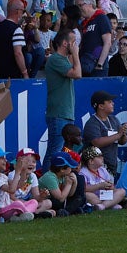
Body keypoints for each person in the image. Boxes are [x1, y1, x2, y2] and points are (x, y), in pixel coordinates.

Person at [43, 29, 82, 167]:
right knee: (54, 151)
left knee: (65, 151)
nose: (76, 45)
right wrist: (76, 54)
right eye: (73, 42)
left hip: (65, 112)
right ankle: (45, 184)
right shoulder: (55, 59)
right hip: (58, 113)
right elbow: (77, 74)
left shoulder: (63, 60)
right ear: (65, 43)